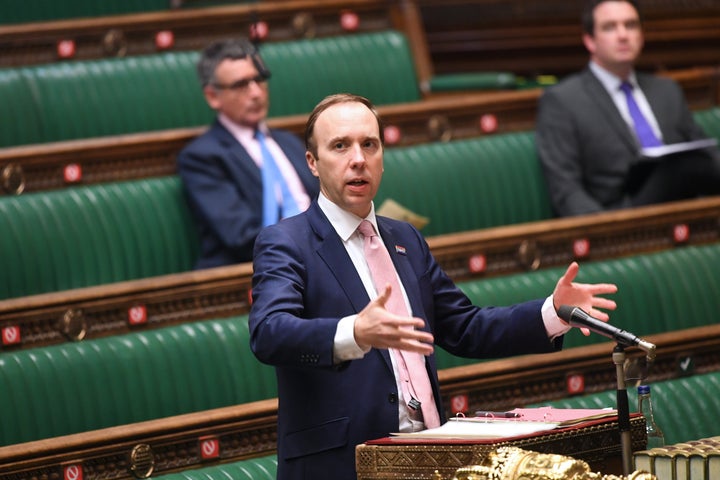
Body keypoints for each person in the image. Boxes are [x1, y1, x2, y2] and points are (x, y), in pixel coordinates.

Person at [249, 93, 619, 480]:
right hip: (342, 465)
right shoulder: (287, 241)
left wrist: (552, 312)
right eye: (340, 146)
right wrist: (353, 332)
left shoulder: (403, 239)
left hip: (429, 458)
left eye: (369, 145)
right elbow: (268, 332)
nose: (357, 158)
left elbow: (465, 327)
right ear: (312, 162)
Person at [535, 0, 720, 217]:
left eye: (630, 25)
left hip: (687, 210)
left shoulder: (666, 90)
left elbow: (706, 157)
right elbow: (566, 191)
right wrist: (606, 233)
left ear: (641, 36)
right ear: (590, 41)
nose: (623, 35)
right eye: (610, 27)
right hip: (621, 217)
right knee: (676, 170)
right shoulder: (562, 100)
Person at [177, 38, 320, 269]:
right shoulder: (201, 157)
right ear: (213, 96)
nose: (255, 93)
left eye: (259, 80)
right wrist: (326, 240)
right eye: (241, 85)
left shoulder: (290, 142)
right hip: (254, 275)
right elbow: (241, 237)